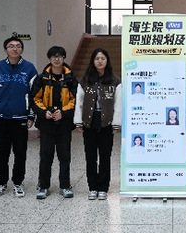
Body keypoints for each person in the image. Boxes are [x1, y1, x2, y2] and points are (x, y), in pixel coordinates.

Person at [0, 36, 38, 198]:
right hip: (1, 117)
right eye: (11, 46)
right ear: (5, 50)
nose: (14, 49)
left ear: (22, 49)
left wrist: (31, 115)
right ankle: (1, 183)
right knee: (1, 153)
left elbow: (34, 94)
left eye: (18, 46)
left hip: (21, 118)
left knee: (20, 152)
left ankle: (18, 183)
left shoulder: (29, 68)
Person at [74, 48, 121, 200]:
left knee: (105, 156)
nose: (100, 61)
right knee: (91, 156)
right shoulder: (86, 80)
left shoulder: (114, 80)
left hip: (107, 123)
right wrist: (78, 121)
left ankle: (103, 188)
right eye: (97, 59)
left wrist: (116, 123)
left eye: (103, 58)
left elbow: (118, 103)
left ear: (107, 61)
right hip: (89, 122)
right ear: (93, 61)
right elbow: (79, 101)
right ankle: (92, 187)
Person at [31, 46, 77, 200]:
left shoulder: (70, 78)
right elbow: (34, 99)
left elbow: (76, 99)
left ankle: (65, 185)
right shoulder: (42, 78)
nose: (57, 59)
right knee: (46, 156)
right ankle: (43, 186)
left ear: (64, 58)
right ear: (49, 59)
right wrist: (44, 112)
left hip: (64, 124)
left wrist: (63, 112)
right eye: (53, 56)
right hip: (46, 123)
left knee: (65, 156)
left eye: (60, 56)